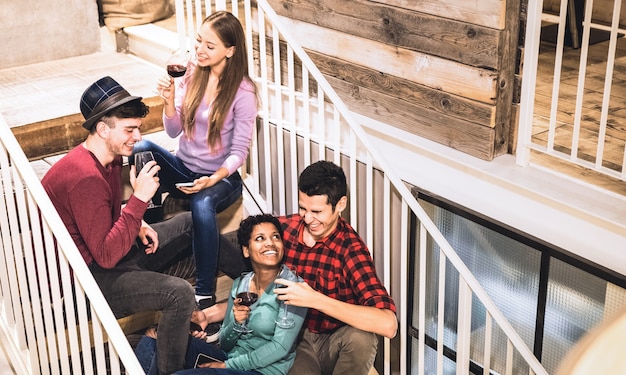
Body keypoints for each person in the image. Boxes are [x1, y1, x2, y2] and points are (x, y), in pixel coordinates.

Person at [41, 76, 197, 375]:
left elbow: (102, 222)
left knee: (190, 222)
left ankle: (245, 292)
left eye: (137, 128)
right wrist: (138, 201)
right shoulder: (83, 177)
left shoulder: (109, 159)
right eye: (129, 129)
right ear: (102, 128)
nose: (137, 137)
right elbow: (106, 256)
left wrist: (135, 224)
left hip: (104, 254)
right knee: (179, 294)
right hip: (86, 281)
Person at [132, 10, 258, 310]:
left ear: (230, 50)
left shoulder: (244, 92)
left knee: (203, 203)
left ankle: (204, 293)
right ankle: (146, 237)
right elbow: (174, 131)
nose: (200, 50)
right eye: (199, 41)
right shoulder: (190, 72)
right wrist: (169, 101)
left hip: (221, 178)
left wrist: (213, 179)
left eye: (210, 46)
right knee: (141, 147)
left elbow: (240, 151)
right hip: (185, 169)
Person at [134, 214, 307, 375]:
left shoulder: (293, 288)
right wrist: (236, 323)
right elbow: (225, 343)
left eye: (275, 237)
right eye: (260, 238)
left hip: (261, 370)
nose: (270, 243)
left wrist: (228, 366)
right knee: (155, 340)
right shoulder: (242, 284)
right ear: (246, 250)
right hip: (229, 359)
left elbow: (280, 347)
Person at [274, 160, 398, 375]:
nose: (308, 218)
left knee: (362, 338)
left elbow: (388, 324)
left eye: (317, 211)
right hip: (296, 341)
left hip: (335, 342)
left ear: (340, 204)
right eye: (303, 208)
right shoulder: (285, 228)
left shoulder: (351, 249)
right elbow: (245, 246)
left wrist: (315, 299)